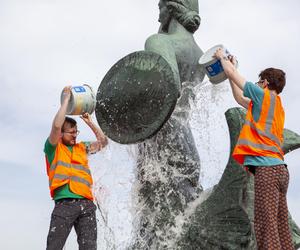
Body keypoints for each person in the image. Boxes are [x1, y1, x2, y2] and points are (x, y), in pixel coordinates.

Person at [214, 48, 294, 250]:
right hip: (281, 171)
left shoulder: (262, 95)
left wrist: (222, 58)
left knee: (265, 223)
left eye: (259, 82)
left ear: (265, 83)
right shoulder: (277, 106)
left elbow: (234, 74)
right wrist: (230, 74)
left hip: (267, 170)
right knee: (280, 224)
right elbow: (240, 99)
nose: (257, 85)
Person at [44, 86, 108, 250]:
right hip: (64, 204)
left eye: (76, 132)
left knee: (89, 247)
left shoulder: (82, 147)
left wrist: (90, 123)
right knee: (54, 247)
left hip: (86, 205)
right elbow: (57, 126)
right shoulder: (53, 148)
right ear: (61, 135)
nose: (75, 135)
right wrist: (66, 100)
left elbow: (103, 142)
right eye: (71, 133)